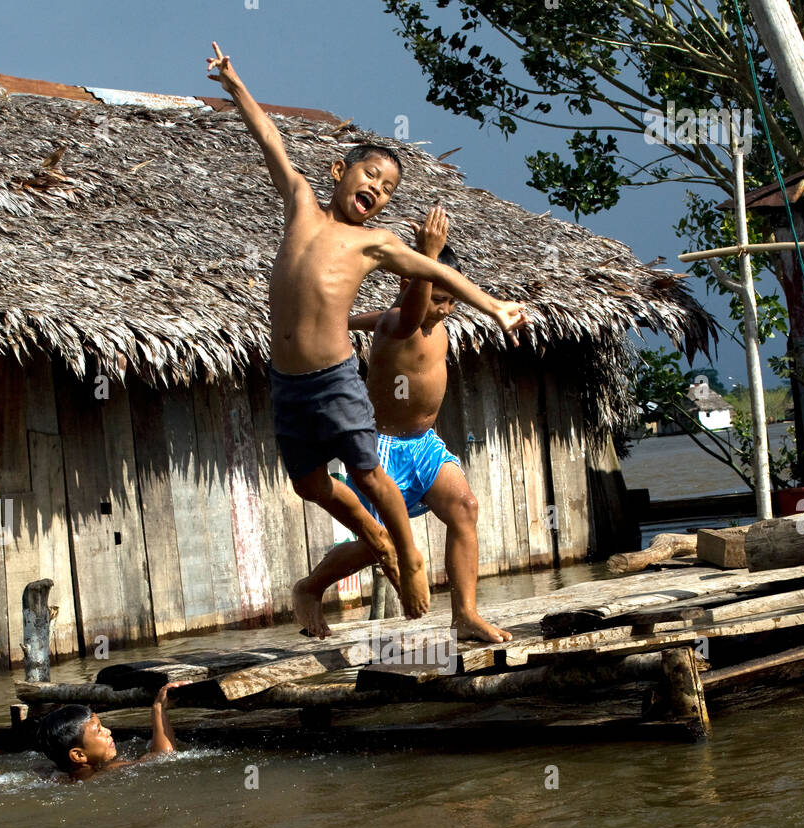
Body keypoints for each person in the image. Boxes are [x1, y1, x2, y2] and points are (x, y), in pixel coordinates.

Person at [206, 41, 529, 630]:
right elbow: (271, 141)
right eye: (371, 176)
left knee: (367, 473)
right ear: (339, 172)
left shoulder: (373, 243)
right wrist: (235, 84)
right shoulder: (301, 202)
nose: (377, 189)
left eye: (387, 190)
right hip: (287, 383)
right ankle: (378, 538)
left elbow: (437, 273)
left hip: (333, 378)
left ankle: (408, 555)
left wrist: (494, 305)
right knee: (308, 484)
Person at [293, 207, 513, 644]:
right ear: (408, 285)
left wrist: (347, 322)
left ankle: (464, 615)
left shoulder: (415, 320)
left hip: (423, 445)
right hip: (384, 448)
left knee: (464, 508)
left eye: (452, 300)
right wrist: (425, 253)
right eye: (437, 299)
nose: (445, 309)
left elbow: (384, 316)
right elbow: (401, 316)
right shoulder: (405, 320)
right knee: (376, 544)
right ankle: (310, 587)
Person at [36, 683, 183, 781]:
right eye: (99, 730)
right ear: (78, 755)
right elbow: (164, 757)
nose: (108, 731)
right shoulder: (107, 772)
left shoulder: (55, 775)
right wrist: (158, 707)